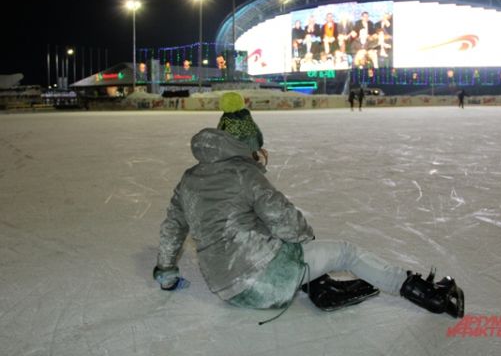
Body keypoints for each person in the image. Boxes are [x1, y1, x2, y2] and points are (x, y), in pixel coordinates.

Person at [153, 126, 465, 320]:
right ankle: (431, 296)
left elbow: (171, 230)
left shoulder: (188, 181)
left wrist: (166, 274)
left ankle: (317, 286)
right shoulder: (243, 173)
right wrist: (307, 243)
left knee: (275, 242)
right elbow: (284, 219)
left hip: (225, 289)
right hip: (266, 284)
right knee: (345, 252)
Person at [216, 92, 268, 165]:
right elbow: (256, 130)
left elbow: (219, 133)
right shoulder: (246, 114)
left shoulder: (226, 117)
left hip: (235, 150)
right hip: (252, 148)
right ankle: (255, 161)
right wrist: (259, 144)